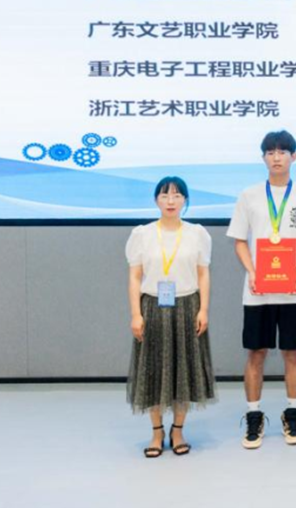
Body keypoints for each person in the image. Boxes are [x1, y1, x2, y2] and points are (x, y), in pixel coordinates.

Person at [226, 130, 296, 449]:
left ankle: (292, 414)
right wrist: (253, 272)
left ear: (294, 157)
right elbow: (240, 241)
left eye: (282, 152)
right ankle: (254, 416)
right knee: (256, 353)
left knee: (292, 353)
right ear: (263, 157)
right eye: (270, 152)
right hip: (257, 290)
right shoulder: (249, 195)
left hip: (294, 289)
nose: (276, 157)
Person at [126, 176, 215, 456]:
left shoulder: (197, 233)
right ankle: (156, 432)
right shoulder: (142, 234)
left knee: (183, 371)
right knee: (152, 370)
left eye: (177, 195)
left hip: (187, 306)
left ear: (185, 200)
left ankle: (178, 430)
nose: (171, 201)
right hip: (152, 306)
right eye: (165, 196)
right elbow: (135, 276)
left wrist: (203, 309)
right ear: (156, 200)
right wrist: (136, 314)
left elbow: (203, 274)